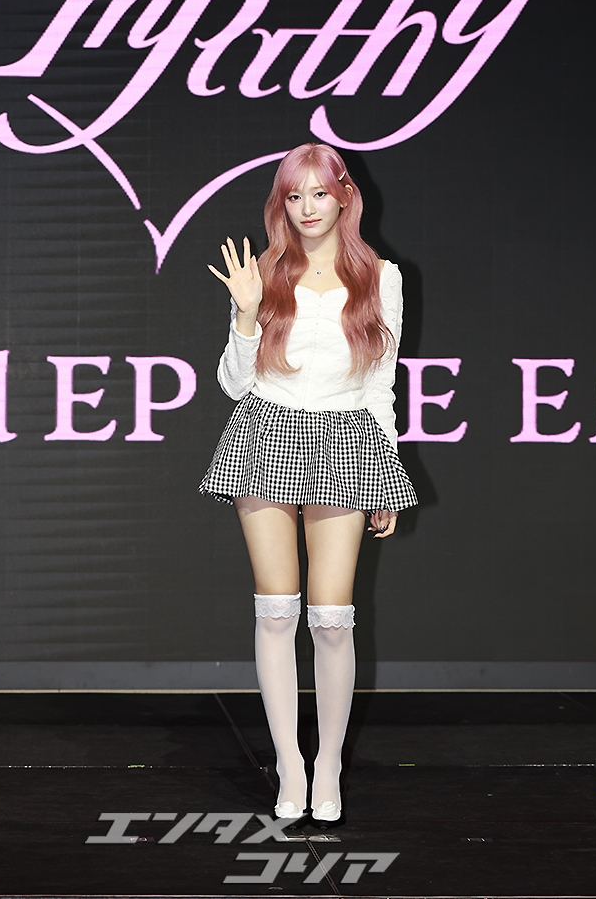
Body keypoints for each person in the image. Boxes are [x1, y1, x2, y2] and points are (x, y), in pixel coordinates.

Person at [200, 142, 418, 827]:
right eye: (294, 196)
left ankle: (328, 766)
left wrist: (386, 473)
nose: (307, 207)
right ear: (282, 204)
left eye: (319, 192)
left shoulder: (381, 277)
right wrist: (245, 313)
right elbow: (234, 383)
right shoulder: (265, 271)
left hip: (347, 438)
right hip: (266, 431)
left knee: (331, 618)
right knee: (275, 611)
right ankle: (289, 764)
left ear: (344, 195)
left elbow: (380, 384)